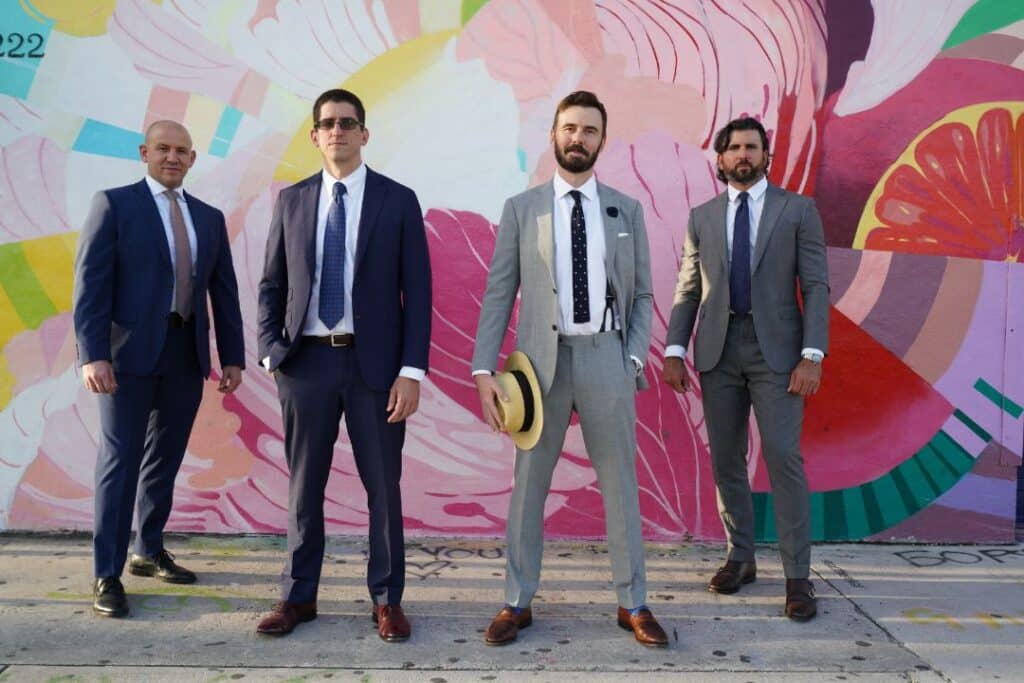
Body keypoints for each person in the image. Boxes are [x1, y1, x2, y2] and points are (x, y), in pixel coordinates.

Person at [472, 91, 667, 647]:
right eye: (569, 128)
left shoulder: (625, 210)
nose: (577, 138)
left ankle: (633, 603)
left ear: (603, 140)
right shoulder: (522, 208)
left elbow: (643, 294)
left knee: (620, 487)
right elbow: (498, 293)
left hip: (606, 357)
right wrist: (484, 370)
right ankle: (516, 601)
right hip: (539, 367)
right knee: (528, 485)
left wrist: (630, 357)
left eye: (589, 130)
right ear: (554, 134)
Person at [255, 88, 431, 639]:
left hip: (375, 369)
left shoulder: (397, 200)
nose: (338, 131)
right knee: (305, 486)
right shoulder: (292, 200)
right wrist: (271, 351)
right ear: (314, 135)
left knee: (384, 487)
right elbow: (271, 284)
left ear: (364, 134)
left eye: (348, 122)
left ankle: (386, 599)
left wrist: (412, 371)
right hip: (304, 365)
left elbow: (418, 293)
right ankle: (297, 597)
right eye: (328, 123)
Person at [73, 120, 245, 618]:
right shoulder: (115, 204)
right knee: (119, 461)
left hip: (184, 355)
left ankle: (147, 550)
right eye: (163, 148)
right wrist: (92, 354)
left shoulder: (209, 218)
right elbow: (90, 286)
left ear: (193, 159)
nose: (172, 157)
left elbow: (224, 292)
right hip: (124, 359)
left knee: (164, 459)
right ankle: (107, 572)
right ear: (145, 152)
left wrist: (230, 356)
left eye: (182, 151)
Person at [662, 116, 829, 621]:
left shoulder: (797, 210)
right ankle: (741, 558)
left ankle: (798, 577)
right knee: (726, 461)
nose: (742, 155)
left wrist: (813, 355)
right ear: (720, 158)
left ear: (766, 156)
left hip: (779, 353)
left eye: (751, 147)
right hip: (718, 349)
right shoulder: (703, 216)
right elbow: (689, 287)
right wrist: (674, 348)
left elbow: (816, 287)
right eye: (733, 148)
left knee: (782, 457)